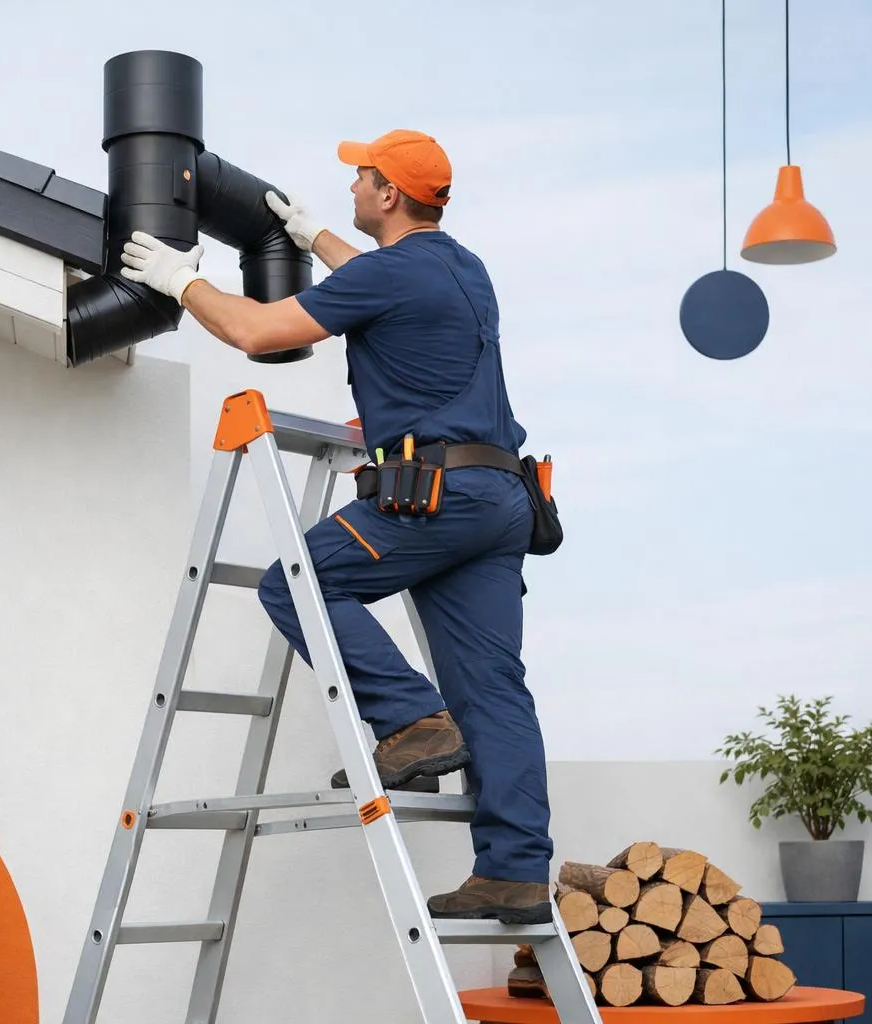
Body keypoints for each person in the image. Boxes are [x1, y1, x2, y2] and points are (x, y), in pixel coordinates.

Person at [119, 129, 554, 925]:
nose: (352, 188)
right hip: (500, 501)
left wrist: (184, 282)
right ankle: (516, 872)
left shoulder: (395, 274)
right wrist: (312, 234)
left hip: (435, 496)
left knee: (297, 582)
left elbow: (255, 333)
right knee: (494, 689)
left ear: (389, 194)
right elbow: (379, 284)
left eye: (361, 178)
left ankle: (414, 722)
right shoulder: (461, 267)